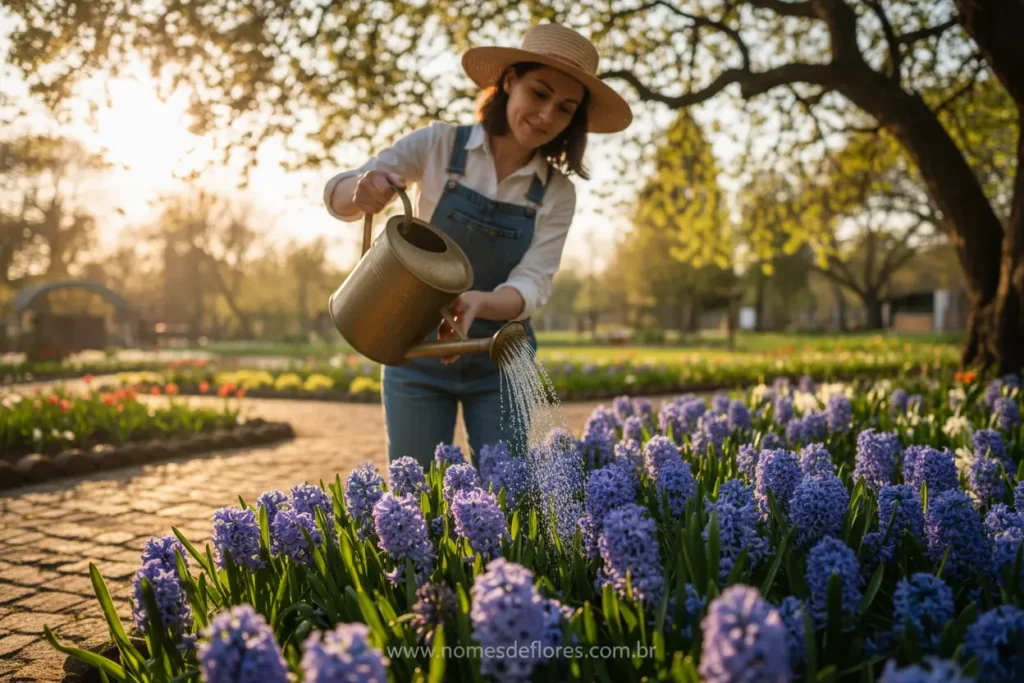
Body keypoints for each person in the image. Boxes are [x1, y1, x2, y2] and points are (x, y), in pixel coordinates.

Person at [323, 22, 633, 468]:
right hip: (413, 349)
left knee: (508, 500)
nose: (547, 116)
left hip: (502, 362)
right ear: (509, 82)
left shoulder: (557, 193)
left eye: (565, 109)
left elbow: (533, 283)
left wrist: (478, 303)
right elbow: (341, 195)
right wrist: (361, 188)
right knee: (418, 491)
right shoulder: (439, 145)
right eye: (539, 94)